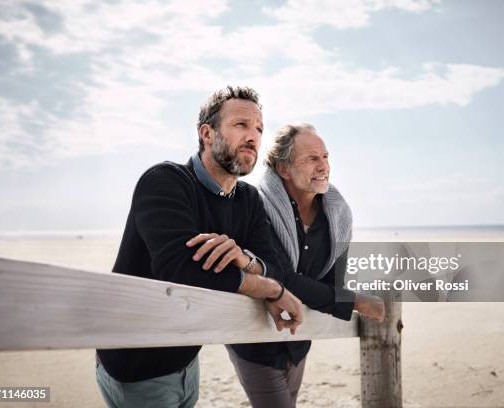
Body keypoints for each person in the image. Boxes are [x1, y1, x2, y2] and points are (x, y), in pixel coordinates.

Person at [95, 86, 303, 408]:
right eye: (241, 125)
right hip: (135, 364)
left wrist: (244, 259)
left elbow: (277, 267)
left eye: (259, 128)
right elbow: (182, 274)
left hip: (187, 360)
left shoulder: (248, 200)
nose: (253, 136)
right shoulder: (165, 181)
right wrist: (270, 290)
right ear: (207, 133)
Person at [227, 123, 385, 408]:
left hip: (299, 340)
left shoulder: (337, 216)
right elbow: (282, 277)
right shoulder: (257, 206)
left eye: (325, 157)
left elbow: (332, 286)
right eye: (312, 158)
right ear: (283, 169)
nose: (323, 165)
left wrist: (341, 297)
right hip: (256, 341)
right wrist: (356, 302)